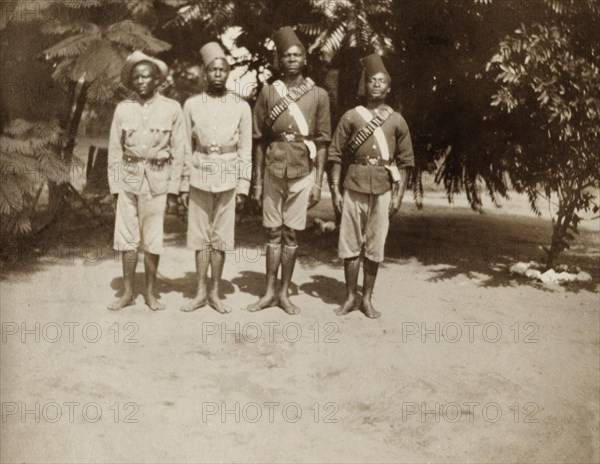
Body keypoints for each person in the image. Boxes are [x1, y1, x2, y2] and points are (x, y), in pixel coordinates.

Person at [247, 26, 331, 314]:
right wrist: (256, 182)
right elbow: (258, 140)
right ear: (279, 61)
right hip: (272, 169)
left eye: (297, 55)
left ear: (305, 59)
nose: (292, 59)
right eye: (287, 56)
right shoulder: (269, 92)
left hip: (302, 171)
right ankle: (269, 291)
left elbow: (321, 142)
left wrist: (319, 183)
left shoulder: (319, 95)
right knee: (272, 233)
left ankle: (284, 293)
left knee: (291, 235)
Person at [328, 54, 414, 319]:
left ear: (388, 88)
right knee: (350, 243)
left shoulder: (397, 120)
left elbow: (405, 161)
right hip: (353, 184)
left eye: (381, 82)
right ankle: (351, 297)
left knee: (375, 245)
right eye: (372, 81)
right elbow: (335, 154)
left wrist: (399, 196)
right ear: (364, 86)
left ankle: (367, 299)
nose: (376, 85)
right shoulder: (351, 117)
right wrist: (334, 189)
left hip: (383, 188)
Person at [107, 51, 187, 311]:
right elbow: (115, 151)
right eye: (137, 77)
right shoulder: (123, 109)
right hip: (129, 181)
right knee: (126, 238)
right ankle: (128, 292)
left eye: (147, 77)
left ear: (157, 81)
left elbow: (179, 151)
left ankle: (151, 293)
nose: (141, 81)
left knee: (152, 239)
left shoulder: (172, 109)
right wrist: (115, 187)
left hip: (158, 181)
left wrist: (175, 189)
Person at [179, 42, 252, 314]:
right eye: (213, 70)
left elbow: (246, 149)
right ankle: (199, 292)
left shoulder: (241, 106)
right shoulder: (191, 105)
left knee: (221, 238)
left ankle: (215, 292)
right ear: (205, 73)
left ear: (228, 73)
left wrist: (244, 185)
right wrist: (183, 183)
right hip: (199, 175)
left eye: (223, 70)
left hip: (228, 177)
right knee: (200, 238)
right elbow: (185, 146)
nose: (218, 74)